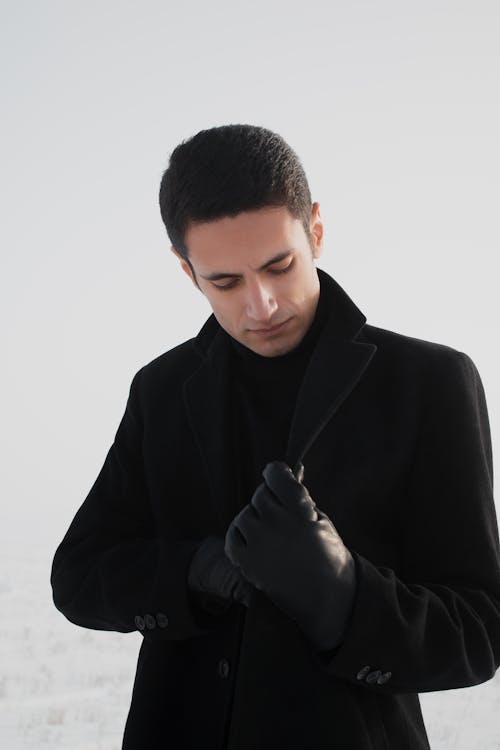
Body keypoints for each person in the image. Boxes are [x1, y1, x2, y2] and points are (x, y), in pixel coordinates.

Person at [50, 123, 500, 749]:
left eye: (278, 265)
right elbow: (77, 577)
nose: (260, 306)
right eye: (225, 283)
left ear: (315, 229)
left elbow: (479, 632)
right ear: (187, 273)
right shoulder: (160, 388)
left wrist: (343, 593)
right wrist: (196, 571)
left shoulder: (431, 382)